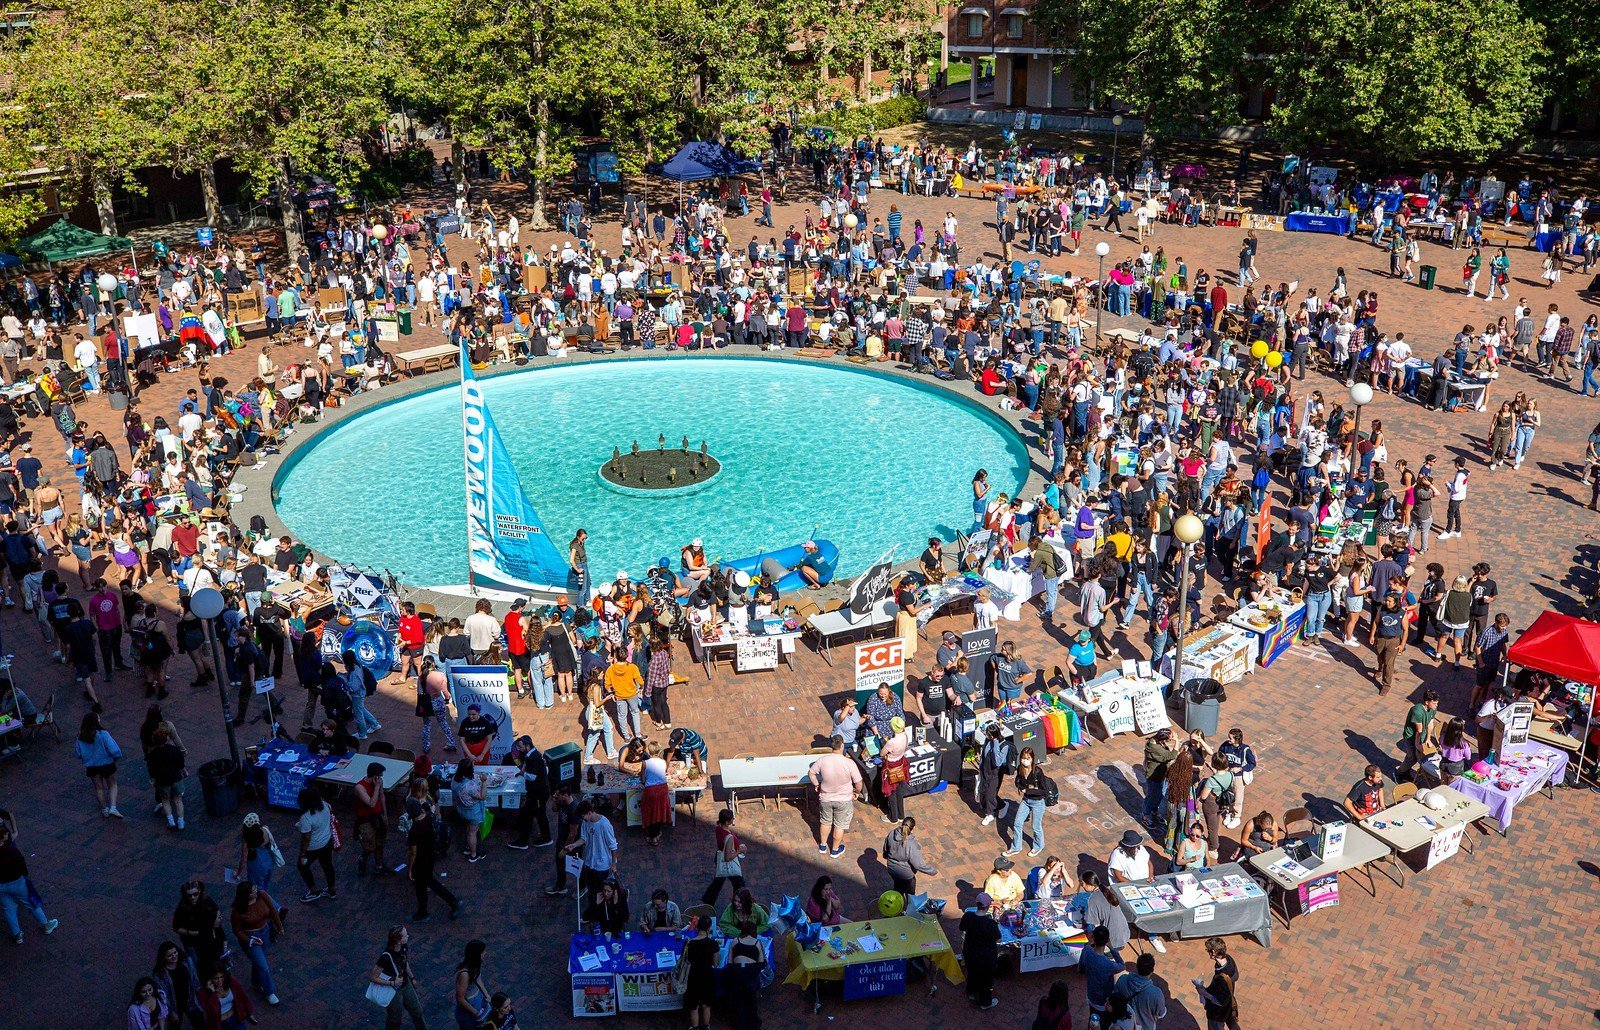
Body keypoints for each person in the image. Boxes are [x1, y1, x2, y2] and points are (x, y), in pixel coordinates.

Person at [405, 777, 460, 922]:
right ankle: (452, 901)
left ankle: (423, 913)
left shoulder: (414, 830)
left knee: (421, 886)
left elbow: (413, 852)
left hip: (421, 860)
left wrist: (410, 869)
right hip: (431, 855)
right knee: (429, 882)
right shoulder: (429, 817)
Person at [0, 820, 58, 944]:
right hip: (16, 882)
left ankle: (17, 935)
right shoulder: (11, 850)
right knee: (30, 902)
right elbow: (22, 865)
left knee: (8, 908)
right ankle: (46, 924)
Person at [229, 881, 284, 1006]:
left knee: (258, 961)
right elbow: (236, 930)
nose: (256, 890)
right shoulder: (238, 911)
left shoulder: (262, 895)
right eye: (253, 890)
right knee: (263, 966)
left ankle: (256, 982)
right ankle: (269, 992)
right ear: (247, 895)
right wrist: (250, 940)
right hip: (251, 938)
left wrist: (279, 927)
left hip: (265, 932)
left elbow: (273, 911)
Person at [808, 734, 862, 858]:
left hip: (826, 798)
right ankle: (835, 850)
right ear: (842, 745)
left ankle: (822, 845)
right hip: (843, 800)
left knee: (825, 822)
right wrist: (856, 792)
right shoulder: (849, 763)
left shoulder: (823, 760)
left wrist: (817, 785)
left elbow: (811, 773)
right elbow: (858, 782)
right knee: (839, 825)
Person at [370, 925, 426, 1030]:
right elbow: (373, 977)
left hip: (406, 984)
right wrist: (392, 983)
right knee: (395, 1019)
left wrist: (412, 977)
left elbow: (405, 962)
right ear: (399, 941)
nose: (408, 936)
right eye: (405, 935)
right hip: (393, 990)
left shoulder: (403, 947)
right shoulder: (386, 956)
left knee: (417, 1012)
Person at [73, 711, 123, 817]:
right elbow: (114, 750)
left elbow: (78, 754)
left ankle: (104, 809)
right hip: (107, 764)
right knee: (112, 784)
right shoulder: (103, 734)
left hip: (92, 766)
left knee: (98, 788)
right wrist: (116, 757)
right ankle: (113, 807)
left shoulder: (80, 737)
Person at [959, 892, 1002, 1009]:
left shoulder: (968, 916)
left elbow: (961, 928)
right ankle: (985, 1002)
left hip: (970, 953)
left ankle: (971, 992)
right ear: (988, 907)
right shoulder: (990, 923)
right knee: (986, 980)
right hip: (986, 956)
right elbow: (998, 939)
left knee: (972, 972)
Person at [294, 787, 336, 902]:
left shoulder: (306, 818)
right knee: (327, 865)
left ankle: (313, 891)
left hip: (312, 848)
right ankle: (332, 889)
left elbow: (306, 837)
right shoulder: (325, 806)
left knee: (302, 866)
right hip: (326, 842)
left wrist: (302, 854)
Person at [146, 723, 189, 831]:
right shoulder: (174, 750)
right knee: (178, 799)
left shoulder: (153, 754)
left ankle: (171, 821)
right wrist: (184, 771)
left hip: (162, 781)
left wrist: (153, 779)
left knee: (165, 800)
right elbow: (180, 763)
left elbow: (151, 769)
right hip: (176, 778)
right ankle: (181, 822)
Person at [1008, 746, 1049, 857]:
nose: (1025, 761)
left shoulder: (1038, 772)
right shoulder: (1020, 769)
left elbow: (1044, 790)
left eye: (1027, 758)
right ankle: (1016, 847)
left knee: (1036, 826)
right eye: (1023, 758)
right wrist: (1022, 788)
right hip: (1026, 801)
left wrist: (1029, 790)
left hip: (1038, 802)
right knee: (1017, 823)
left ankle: (1038, 846)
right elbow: (1017, 782)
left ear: (1032, 759)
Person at [1109, 952, 1167, 1030]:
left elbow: (1114, 998)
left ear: (1137, 967)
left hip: (1124, 1024)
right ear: (1152, 970)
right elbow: (1161, 1014)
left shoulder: (1122, 979)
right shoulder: (1156, 993)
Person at [1194, 936, 1242, 1030]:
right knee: (1232, 1023)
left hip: (1217, 1013)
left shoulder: (1222, 979)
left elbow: (1220, 1001)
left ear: (1213, 953)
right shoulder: (1228, 959)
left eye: (1208, 951)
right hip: (1229, 1003)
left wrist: (1204, 993)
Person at [701, 807, 746, 906]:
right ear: (727, 822)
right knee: (739, 884)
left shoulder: (718, 828)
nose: (733, 820)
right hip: (727, 863)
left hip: (719, 857)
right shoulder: (728, 837)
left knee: (718, 882)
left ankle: (708, 901)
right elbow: (728, 857)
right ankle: (739, 901)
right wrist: (739, 851)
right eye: (731, 819)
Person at [1079, 925, 1123, 1026]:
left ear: (1093, 937)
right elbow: (1122, 965)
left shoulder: (1086, 951)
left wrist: (1090, 942)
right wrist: (1112, 948)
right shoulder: (1108, 964)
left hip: (1091, 994)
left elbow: (1081, 969)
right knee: (1104, 1024)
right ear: (1107, 940)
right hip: (1103, 1001)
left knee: (1092, 1020)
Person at [883, 816, 938, 896]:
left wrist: (886, 856)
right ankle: (907, 906)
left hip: (891, 869)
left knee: (897, 887)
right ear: (913, 828)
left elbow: (886, 848)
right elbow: (918, 865)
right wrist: (932, 871)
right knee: (910, 895)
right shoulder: (911, 845)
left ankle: (896, 902)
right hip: (906, 875)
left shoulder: (892, 833)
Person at [680, 916, 718, 1030]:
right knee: (706, 1005)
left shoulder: (689, 944)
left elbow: (686, 960)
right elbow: (715, 964)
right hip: (707, 977)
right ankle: (706, 1026)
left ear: (697, 926)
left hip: (693, 977)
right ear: (709, 928)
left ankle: (695, 1027)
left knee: (694, 1006)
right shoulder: (713, 944)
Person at [354, 762, 391, 876]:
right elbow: (372, 803)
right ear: (375, 775)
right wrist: (377, 787)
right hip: (365, 819)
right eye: (379, 775)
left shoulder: (378, 782)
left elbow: (381, 797)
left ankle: (378, 866)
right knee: (369, 845)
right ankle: (362, 859)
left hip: (378, 817)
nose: (380, 778)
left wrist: (385, 814)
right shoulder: (360, 787)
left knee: (380, 843)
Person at [1397, 689, 1441, 782]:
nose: (1436, 705)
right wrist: (1418, 744)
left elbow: (1430, 723)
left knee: (1415, 756)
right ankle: (1399, 773)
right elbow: (1419, 731)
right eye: (1434, 703)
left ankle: (1406, 771)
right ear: (1426, 702)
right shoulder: (1417, 711)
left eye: (1437, 703)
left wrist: (1428, 738)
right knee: (1412, 757)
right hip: (1411, 737)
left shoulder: (1433, 709)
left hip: (1421, 735)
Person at [1217, 728, 1256, 829]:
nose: (1228, 739)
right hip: (1227, 775)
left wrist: (1240, 769)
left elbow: (1252, 763)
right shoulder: (1225, 746)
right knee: (1228, 795)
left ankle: (1236, 816)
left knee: (1238, 797)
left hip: (1238, 777)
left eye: (1230, 738)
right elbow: (1219, 755)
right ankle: (1229, 812)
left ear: (1237, 739)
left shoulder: (1245, 750)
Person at [976, 722, 1014, 827]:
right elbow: (984, 753)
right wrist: (980, 766)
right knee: (984, 791)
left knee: (989, 795)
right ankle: (1001, 805)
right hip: (985, 770)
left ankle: (990, 814)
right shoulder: (987, 740)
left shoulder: (1004, 745)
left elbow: (998, 761)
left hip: (995, 774)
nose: (987, 736)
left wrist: (995, 743)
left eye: (989, 735)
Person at [452, 758, 488, 862]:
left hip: (462, 809)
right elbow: (482, 796)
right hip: (473, 811)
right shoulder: (470, 786)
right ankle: (473, 855)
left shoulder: (455, 778)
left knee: (469, 829)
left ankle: (469, 847)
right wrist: (484, 781)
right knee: (472, 832)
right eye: (472, 766)